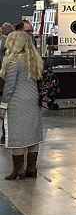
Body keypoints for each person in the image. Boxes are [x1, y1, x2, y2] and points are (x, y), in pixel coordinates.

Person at [1, 30, 43, 181]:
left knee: (17, 135)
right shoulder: (35, 59)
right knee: (33, 133)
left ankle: (18, 170)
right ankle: (31, 168)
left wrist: (3, 105)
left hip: (17, 102)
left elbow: (9, 86)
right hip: (33, 100)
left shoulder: (14, 61)